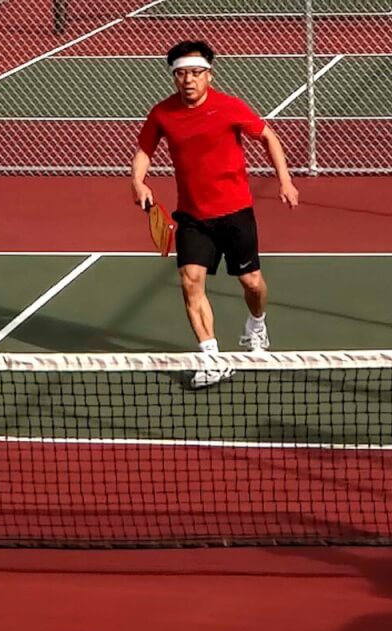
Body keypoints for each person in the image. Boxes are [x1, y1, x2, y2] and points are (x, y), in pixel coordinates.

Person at [131, 40, 300, 389]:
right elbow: (144, 150)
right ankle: (211, 358)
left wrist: (285, 180)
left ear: (209, 74)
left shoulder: (229, 107)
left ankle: (256, 325)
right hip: (193, 217)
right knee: (190, 281)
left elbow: (268, 136)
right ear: (173, 77)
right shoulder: (162, 113)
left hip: (236, 212)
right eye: (181, 74)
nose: (188, 80)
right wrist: (137, 182)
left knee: (251, 283)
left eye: (195, 73)